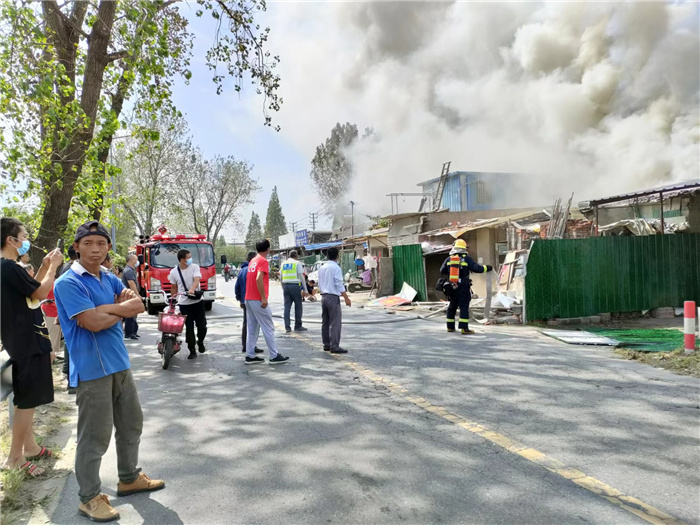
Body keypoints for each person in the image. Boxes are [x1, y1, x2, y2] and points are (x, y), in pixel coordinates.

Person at [54, 220, 164, 522]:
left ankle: (129, 477)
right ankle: (88, 497)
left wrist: (109, 310)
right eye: (88, 244)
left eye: (101, 243)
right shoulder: (68, 282)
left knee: (131, 423)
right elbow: (92, 323)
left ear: (108, 248)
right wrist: (117, 310)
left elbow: (139, 305)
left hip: (119, 362)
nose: (95, 249)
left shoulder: (107, 276)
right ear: (76, 247)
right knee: (95, 435)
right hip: (91, 369)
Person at [1, 217, 63, 477]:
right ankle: (15, 457)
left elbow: (30, 291)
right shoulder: (8, 267)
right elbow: (40, 294)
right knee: (26, 400)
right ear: (10, 240)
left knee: (28, 398)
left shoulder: (10, 268)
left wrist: (45, 266)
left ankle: (30, 446)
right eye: (23, 236)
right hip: (26, 341)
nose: (26, 241)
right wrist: (54, 268)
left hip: (22, 339)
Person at [244, 239, 289, 365]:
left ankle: (250, 355)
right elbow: (259, 279)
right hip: (257, 299)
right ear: (267, 249)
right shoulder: (263, 261)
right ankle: (274, 356)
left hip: (249, 298)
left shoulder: (253, 260)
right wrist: (263, 298)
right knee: (268, 327)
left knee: (252, 328)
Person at [439, 239, 492, 335]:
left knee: (452, 306)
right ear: (464, 248)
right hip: (463, 286)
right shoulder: (467, 259)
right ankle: (464, 328)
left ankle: (450, 327)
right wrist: (487, 267)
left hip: (452, 286)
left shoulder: (449, 259)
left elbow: (442, 270)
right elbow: (477, 268)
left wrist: (452, 272)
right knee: (463, 307)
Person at [169, 249, 207, 359]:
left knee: (202, 326)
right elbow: (173, 287)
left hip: (197, 302)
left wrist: (192, 289)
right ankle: (192, 350)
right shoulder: (174, 272)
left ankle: (200, 341)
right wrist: (173, 299)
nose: (191, 259)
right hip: (184, 304)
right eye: (188, 257)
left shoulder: (195, 267)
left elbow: (197, 279)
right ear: (182, 260)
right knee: (189, 328)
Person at [318, 247, 351, 354]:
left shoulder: (322, 268)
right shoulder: (336, 268)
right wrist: (346, 298)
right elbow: (339, 284)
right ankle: (335, 346)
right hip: (333, 297)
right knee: (335, 322)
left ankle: (326, 344)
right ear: (337, 256)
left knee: (325, 322)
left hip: (324, 296)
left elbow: (320, 283)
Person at [234, 251, 262, 354]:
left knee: (247, 323)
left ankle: (246, 345)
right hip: (254, 300)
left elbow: (237, 287)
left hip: (245, 300)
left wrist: (240, 300)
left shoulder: (242, 270)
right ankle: (251, 346)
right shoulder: (252, 270)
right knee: (254, 324)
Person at [281, 250, 309, 332]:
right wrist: (305, 290)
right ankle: (297, 325)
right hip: (295, 286)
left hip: (286, 286)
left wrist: (283, 287)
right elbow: (301, 277)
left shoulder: (283, 264)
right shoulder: (297, 263)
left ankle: (287, 326)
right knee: (298, 306)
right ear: (296, 256)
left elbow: (281, 277)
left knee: (287, 307)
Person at [121, 255, 141, 340]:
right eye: (136, 260)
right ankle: (129, 333)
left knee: (133, 314)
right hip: (130, 295)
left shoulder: (131, 270)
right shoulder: (128, 271)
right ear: (131, 260)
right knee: (131, 314)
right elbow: (131, 284)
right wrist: (137, 295)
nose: (137, 262)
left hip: (131, 295)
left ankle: (133, 331)